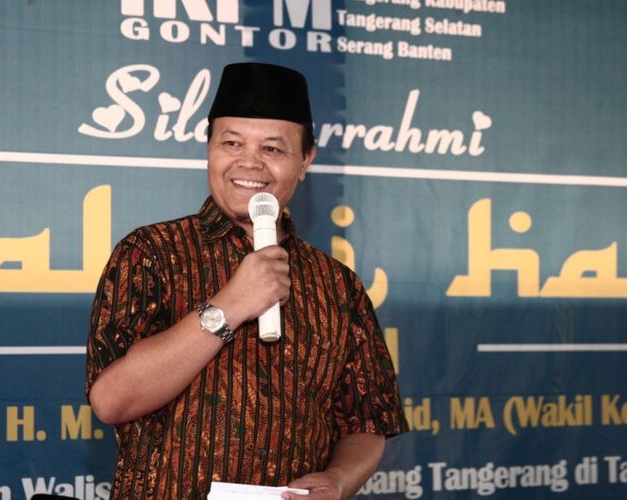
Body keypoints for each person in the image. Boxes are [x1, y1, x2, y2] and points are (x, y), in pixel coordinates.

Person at [86, 62, 408, 499]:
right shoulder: (150, 253)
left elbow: (367, 421)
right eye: (232, 143)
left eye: (273, 148)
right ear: (209, 149)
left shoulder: (338, 284)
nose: (250, 162)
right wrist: (230, 305)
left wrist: (338, 480)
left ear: (305, 161)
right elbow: (111, 401)